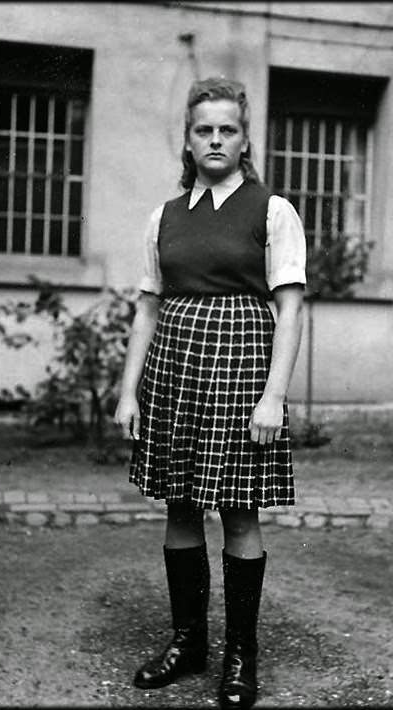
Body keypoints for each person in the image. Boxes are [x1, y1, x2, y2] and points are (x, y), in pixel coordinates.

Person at [114, 76, 306, 710]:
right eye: (204, 130)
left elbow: (291, 310)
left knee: (240, 511)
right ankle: (188, 643)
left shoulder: (272, 211)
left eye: (227, 128)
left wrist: (274, 396)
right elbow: (146, 309)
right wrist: (128, 391)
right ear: (189, 141)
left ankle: (240, 659)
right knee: (179, 505)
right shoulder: (164, 216)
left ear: (245, 138)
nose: (216, 139)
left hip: (243, 370)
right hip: (175, 370)